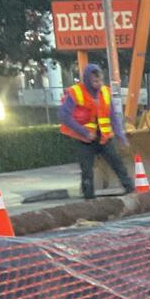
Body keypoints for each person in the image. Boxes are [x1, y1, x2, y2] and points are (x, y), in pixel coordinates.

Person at [59, 63, 134, 199]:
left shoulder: (105, 92)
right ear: (87, 79)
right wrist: (84, 132)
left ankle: (130, 189)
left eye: (99, 80)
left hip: (104, 138)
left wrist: (120, 136)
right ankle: (89, 198)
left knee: (117, 163)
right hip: (84, 140)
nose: (98, 84)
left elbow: (112, 116)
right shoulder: (76, 92)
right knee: (87, 170)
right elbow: (64, 116)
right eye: (94, 81)